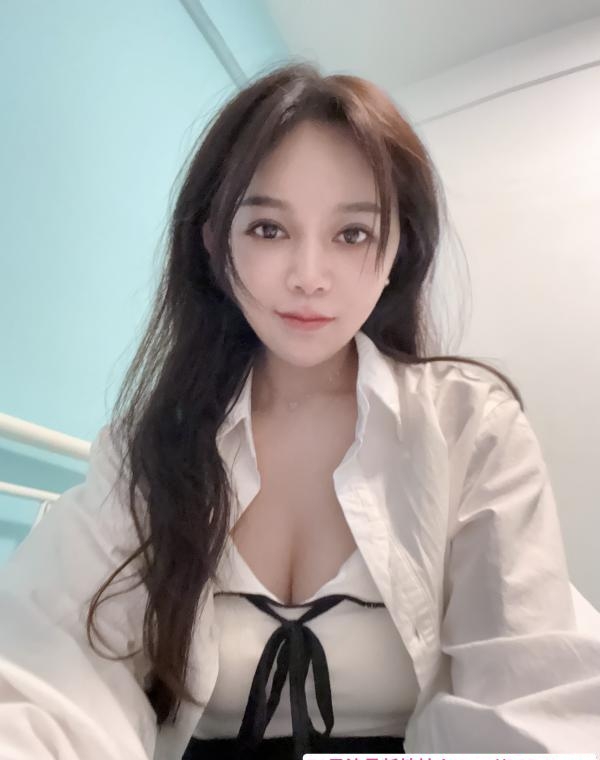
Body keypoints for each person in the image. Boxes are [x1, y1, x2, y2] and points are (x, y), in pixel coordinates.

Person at [1, 61, 599, 760]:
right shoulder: (150, 448)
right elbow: (52, 680)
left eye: (353, 234)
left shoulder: (468, 427)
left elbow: (526, 696)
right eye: (267, 229)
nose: (309, 276)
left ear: (398, 249)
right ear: (214, 242)